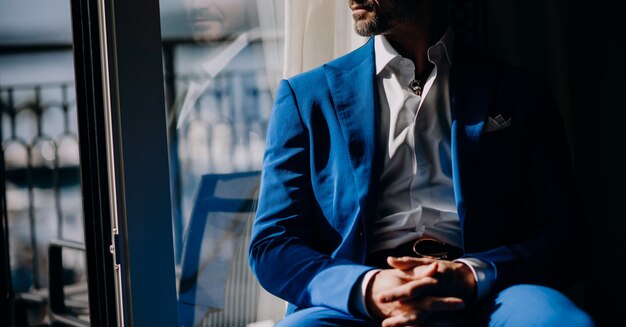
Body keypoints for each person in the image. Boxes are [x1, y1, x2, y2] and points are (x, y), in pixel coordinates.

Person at [249, 0, 594, 326]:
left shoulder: (519, 91)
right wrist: (369, 287)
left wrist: (474, 274)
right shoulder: (306, 97)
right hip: (356, 303)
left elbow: (566, 237)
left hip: (490, 293)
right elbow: (272, 245)